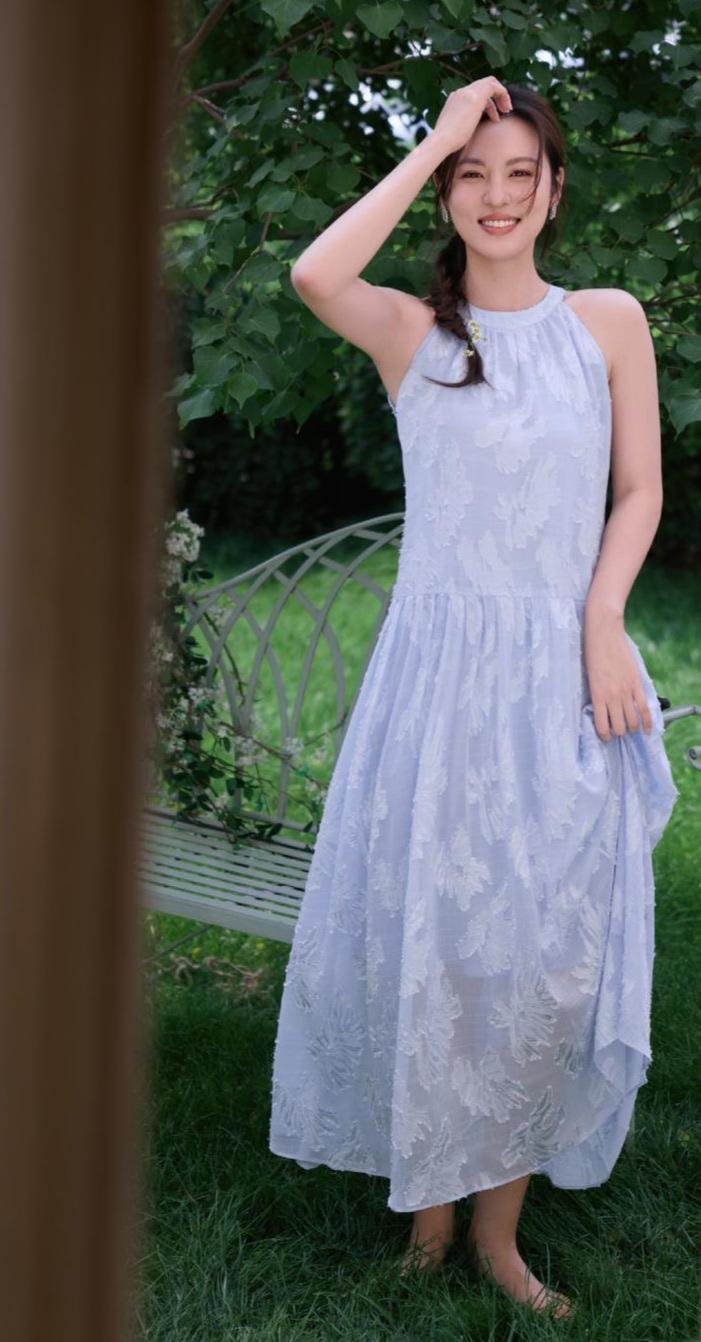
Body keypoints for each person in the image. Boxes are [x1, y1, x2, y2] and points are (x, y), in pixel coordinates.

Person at [267, 76, 679, 1323]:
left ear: (553, 191)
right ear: (447, 194)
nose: (496, 195)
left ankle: (496, 1235)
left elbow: (638, 491)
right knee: (436, 944)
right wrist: (434, 136)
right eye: (472, 175)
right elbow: (312, 273)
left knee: (542, 957)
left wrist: (601, 621)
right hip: (435, 687)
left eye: (518, 173)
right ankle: (429, 1218)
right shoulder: (411, 331)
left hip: (561, 678)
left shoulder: (605, 322)